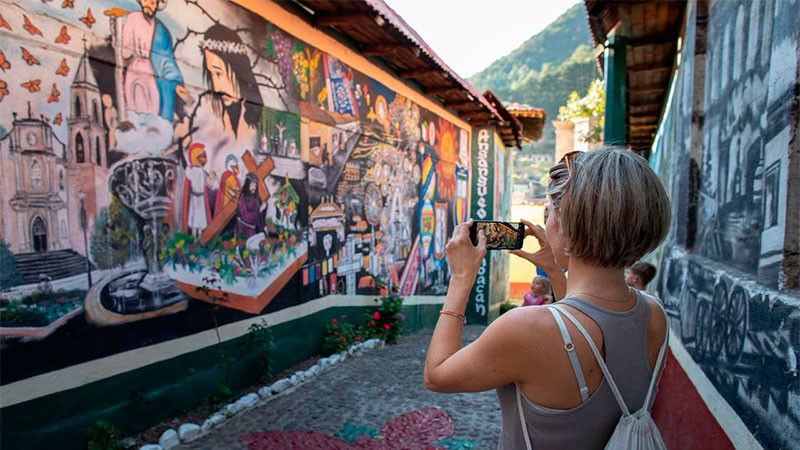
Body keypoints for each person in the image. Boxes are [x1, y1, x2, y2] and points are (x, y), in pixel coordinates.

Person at [424, 147, 671, 449]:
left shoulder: (528, 327)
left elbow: (437, 374)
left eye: (549, 213)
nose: (547, 222)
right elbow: (586, 328)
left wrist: (461, 279)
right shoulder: (654, 314)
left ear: (565, 223)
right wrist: (556, 269)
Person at [121, 0, 190, 120]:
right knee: (135, 111)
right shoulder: (133, 18)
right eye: (146, 1)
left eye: (153, 2)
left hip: (153, 74)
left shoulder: (161, 31)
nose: (149, 5)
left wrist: (174, 81)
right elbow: (125, 52)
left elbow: (167, 60)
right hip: (135, 71)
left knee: (153, 112)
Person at [235, 173, 265, 238]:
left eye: (255, 185)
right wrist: (259, 210)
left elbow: (259, 216)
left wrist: (263, 227)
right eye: (252, 184)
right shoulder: (242, 198)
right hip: (243, 230)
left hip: (254, 230)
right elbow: (246, 216)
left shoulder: (256, 197)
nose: (254, 187)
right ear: (247, 184)